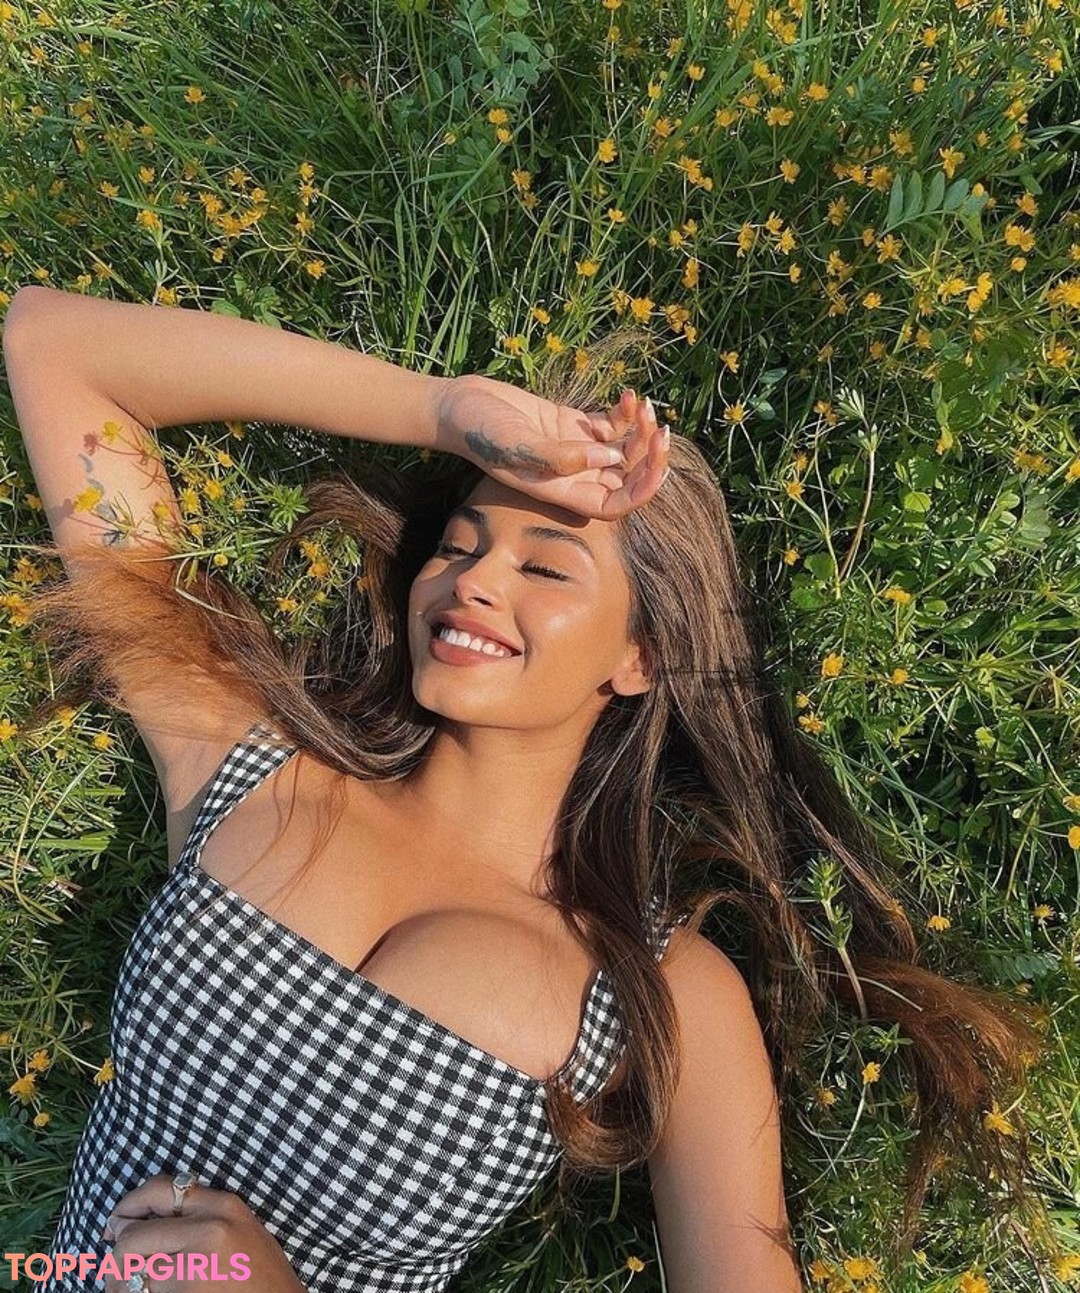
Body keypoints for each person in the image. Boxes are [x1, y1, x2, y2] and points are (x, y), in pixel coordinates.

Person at [2, 285, 1048, 1293]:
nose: (473, 581)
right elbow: (56, 345)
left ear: (642, 654)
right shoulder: (250, 762)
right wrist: (446, 410)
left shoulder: (661, 994)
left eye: (544, 569)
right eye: (459, 544)